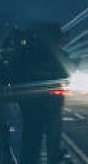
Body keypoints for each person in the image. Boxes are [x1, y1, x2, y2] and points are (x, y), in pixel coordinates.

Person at [11, 24, 70, 164]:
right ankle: (53, 158)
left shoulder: (24, 53)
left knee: (31, 137)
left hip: (31, 103)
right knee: (53, 137)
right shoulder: (59, 55)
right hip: (52, 102)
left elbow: (14, 74)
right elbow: (66, 74)